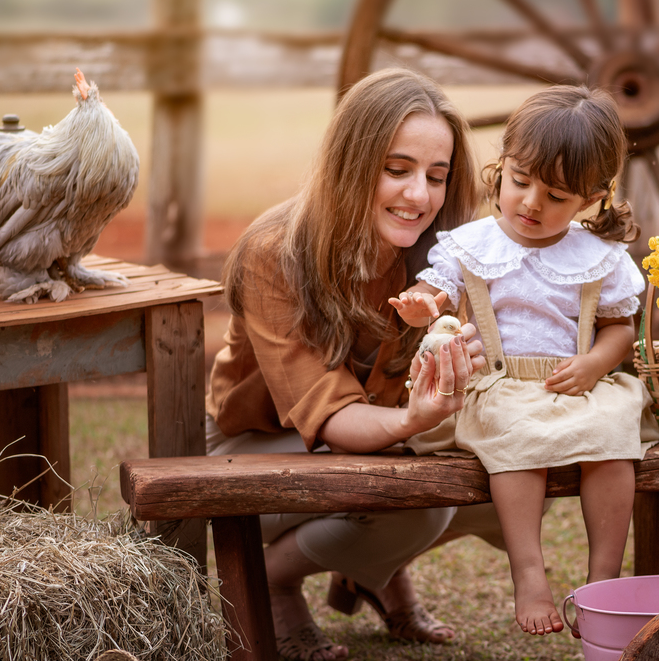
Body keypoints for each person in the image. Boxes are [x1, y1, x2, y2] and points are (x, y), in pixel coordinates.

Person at [205, 67, 497, 661]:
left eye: (436, 176)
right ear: (351, 161)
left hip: (372, 441)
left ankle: (373, 570)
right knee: (420, 498)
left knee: (514, 468)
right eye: (397, 170)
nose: (419, 195)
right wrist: (414, 424)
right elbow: (335, 418)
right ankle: (272, 579)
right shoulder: (274, 251)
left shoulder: (442, 253)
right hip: (253, 445)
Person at [390, 85, 659, 637]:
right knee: (515, 440)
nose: (532, 204)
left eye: (558, 197)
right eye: (520, 182)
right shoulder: (472, 244)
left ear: (591, 199)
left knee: (615, 439)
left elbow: (619, 330)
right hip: (498, 386)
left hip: (574, 385)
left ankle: (603, 580)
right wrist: (425, 305)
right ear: (502, 169)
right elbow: (434, 291)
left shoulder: (597, 256)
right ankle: (529, 571)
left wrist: (594, 365)